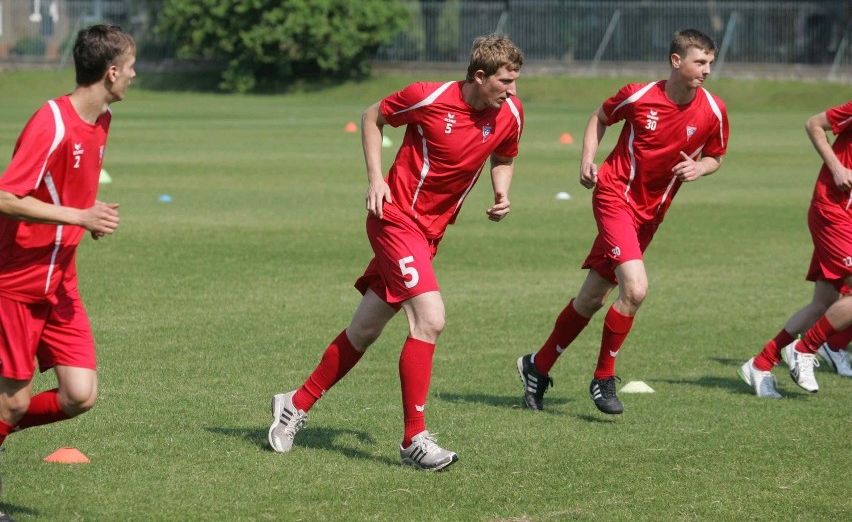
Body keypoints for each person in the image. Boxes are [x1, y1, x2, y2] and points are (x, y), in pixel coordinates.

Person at [268, 34, 524, 470]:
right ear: (480, 77)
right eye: (505, 81)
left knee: (364, 330)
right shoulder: (428, 97)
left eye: (516, 80)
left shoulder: (510, 113)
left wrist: (502, 191)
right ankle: (413, 440)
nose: (513, 90)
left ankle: (296, 401)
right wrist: (375, 179)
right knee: (430, 318)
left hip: (429, 236)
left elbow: (504, 154)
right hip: (394, 219)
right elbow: (372, 117)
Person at [516, 29, 729, 415]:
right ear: (676, 61)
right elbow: (599, 118)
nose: (708, 70)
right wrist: (586, 159)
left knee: (592, 298)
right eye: (700, 62)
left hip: (650, 215)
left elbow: (716, 155)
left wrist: (701, 167)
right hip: (615, 198)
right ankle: (602, 378)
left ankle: (537, 365)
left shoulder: (713, 110)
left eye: (711, 62)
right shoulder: (638, 95)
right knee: (636, 290)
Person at [0, 24, 135, 461]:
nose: (136, 75)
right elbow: (6, 196)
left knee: (80, 393)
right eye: (132, 67)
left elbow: (63, 190)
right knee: (14, 400)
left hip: (60, 279)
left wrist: (87, 216)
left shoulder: (103, 121)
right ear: (111, 72)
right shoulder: (51, 122)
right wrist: (78, 215)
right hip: (17, 278)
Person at [739, 101, 852, 397]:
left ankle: (761, 363)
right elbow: (813, 123)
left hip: (848, 219)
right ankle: (805, 350)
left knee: (824, 303)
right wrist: (836, 166)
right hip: (833, 211)